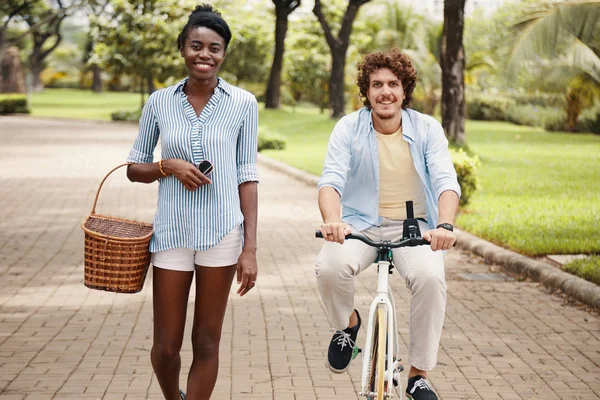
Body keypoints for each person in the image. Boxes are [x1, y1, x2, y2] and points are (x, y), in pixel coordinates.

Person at [125, 5, 259, 400]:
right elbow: (134, 167)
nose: (205, 55)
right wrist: (166, 166)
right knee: (166, 347)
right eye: (196, 46)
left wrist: (249, 248)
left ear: (224, 54)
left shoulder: (243, 104)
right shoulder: (159, 102)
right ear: (182, 48)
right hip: (172, 231)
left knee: (206, 341)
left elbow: (248, 177)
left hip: (222, 231)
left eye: (214, 48)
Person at [315, 48, 460, 400]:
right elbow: (330, 181)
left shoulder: (426, 128)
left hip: (414, 228)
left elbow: (446, 182)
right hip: (358, 225)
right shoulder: (348, 127)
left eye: (393, 84)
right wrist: (333, 221)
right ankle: (348, 326)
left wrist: (445, 226)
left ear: (405, 89)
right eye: (376, 84)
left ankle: (418, 375)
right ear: (366, 90)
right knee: (329, 267)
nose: (385, 92)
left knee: (430, 278)